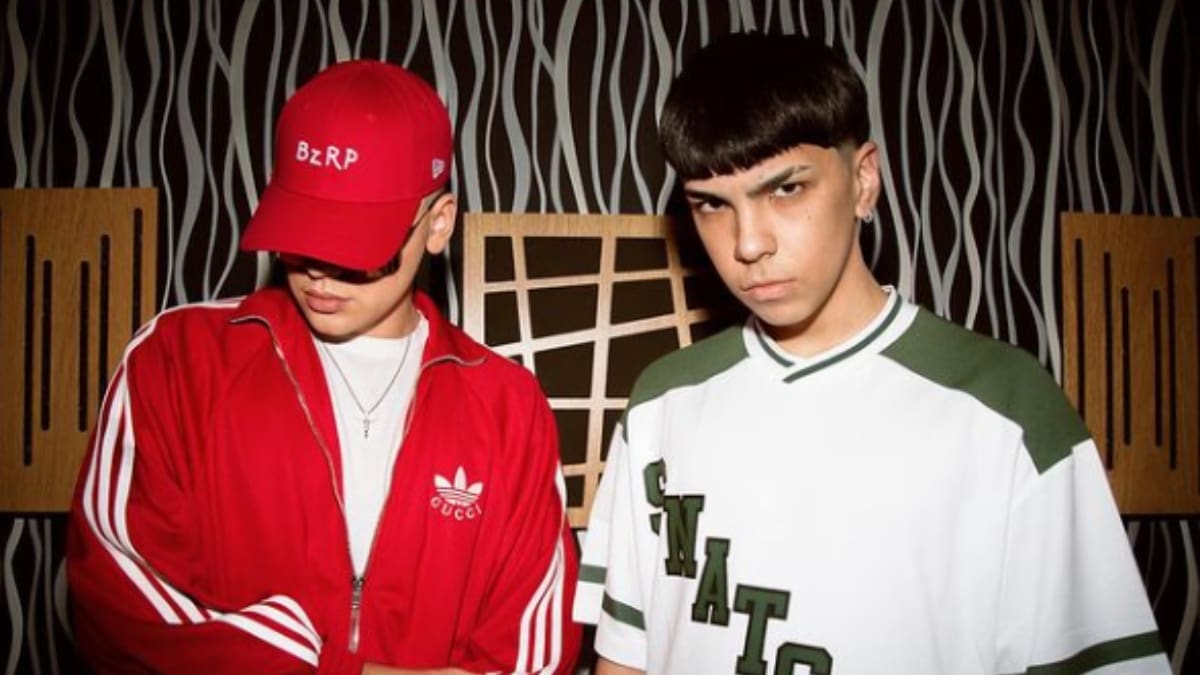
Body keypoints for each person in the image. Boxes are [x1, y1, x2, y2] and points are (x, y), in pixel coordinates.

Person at [573, 33, 1168, 674]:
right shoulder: (661, 401)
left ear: (863, 181)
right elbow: (626, 657)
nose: (748, 243)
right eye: (712, 204)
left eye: (786, 190)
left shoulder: (1005, 406)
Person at [67, 59, 580, 674]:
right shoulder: (177, 360)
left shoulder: (506, 406)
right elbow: (119, 605)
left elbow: (532, 655)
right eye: (302, 229)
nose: (318, 270)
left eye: (357, 243)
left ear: (438, 224)